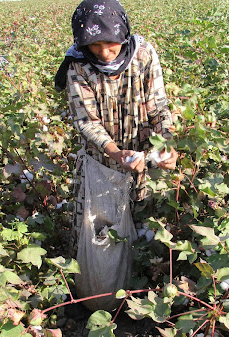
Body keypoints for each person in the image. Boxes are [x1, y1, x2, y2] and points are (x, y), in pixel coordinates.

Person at [55, 0, 178, 258]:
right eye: (95, 44)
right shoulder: (77, 64)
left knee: (145, 230)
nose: (104, 52)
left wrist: (166, 145)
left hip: (144, 162)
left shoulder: (143, 55)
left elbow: (158, 108)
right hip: (101, 166)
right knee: (99, 237)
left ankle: (141, 288)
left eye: (110, 43)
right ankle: (98, 294)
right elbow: (87, 121)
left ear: (123, 34)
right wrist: (115, 153)